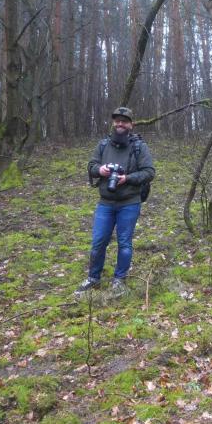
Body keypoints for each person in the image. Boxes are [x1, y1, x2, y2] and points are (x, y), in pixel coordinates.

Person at [74, 107, 155, 299]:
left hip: (130, 202)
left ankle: (119, 280)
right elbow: (91, 165)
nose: (120, 124)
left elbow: (149, 172)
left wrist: (127, 178)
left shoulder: (139, 147)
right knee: (98, 242)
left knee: (124, 243)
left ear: (131, 125)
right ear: (113, 123)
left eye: (124, 121)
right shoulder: (103, 145)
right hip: (106, 203)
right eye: (117, 120)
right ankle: (93, 278)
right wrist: (99, 170)